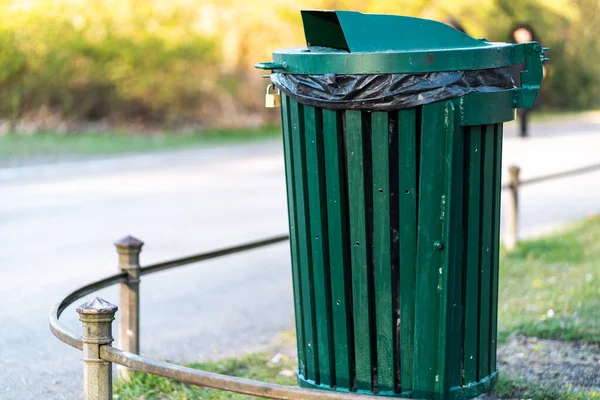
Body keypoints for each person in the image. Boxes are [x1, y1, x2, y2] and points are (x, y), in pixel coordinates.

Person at [510, 24, 546, 137]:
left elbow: (542, 61)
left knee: (526, 106)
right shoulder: (512, 49)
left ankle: (523, 129)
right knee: (521, 106)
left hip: (528, 80)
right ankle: (522, 129)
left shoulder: (534, 48)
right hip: (514, 79)